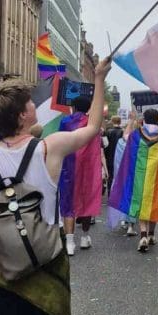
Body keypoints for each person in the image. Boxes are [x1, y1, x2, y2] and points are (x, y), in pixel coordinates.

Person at [0, 57, 111, 315]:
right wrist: (99, 78)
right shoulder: (49, 148)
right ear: (21, 117)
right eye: (29, 103)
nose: (34, 105)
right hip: (46, 259)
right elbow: (93, 126)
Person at [109, 108, 158, 252]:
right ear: (157, 119)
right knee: (155, 203)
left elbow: (126, 144)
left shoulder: (136, 135)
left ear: (144, 119)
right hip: (157, 177)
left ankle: (143, 235)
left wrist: (132, 120)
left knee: (140, 203)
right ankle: (151, 235)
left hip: (139, 176)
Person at [57, 96, 105, 255]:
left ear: (74, 108)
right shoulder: (93, 123)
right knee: (87, 200)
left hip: (69, 166)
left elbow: (59, 141)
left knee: (68, 202)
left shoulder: (65, 122)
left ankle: (69, 242)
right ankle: (85, 237)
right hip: (89, 167)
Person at [104, 116, 124, 195]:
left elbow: (105, 145)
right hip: (120, 157)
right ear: (120, 122)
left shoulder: (107, 132)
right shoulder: (122, 132)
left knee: (110, 175)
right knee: (120, 175)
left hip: (109, 157)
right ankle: (119, 193)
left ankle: (110, 193)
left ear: (112, 121)